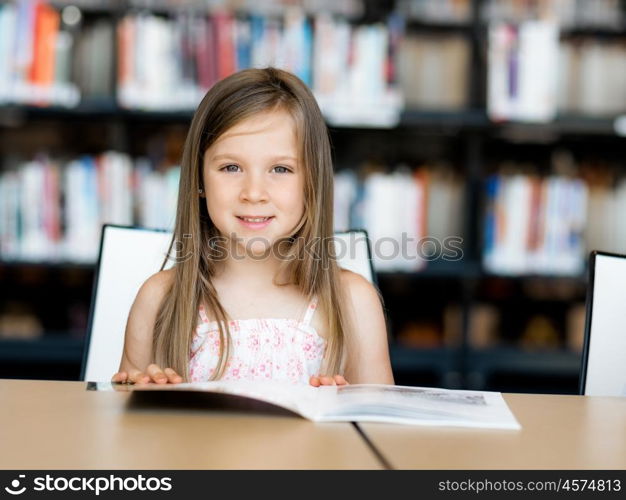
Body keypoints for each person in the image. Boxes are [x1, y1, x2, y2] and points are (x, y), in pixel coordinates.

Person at [111, 67, 394, 387]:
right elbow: (130, 425)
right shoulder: (159, 298)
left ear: (312, 181)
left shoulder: (353, 301)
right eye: (231, 167)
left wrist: (344, 415)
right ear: (199, 179)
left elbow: (374, 427)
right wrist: (142, 398)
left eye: (280, 168)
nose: (254, 193)